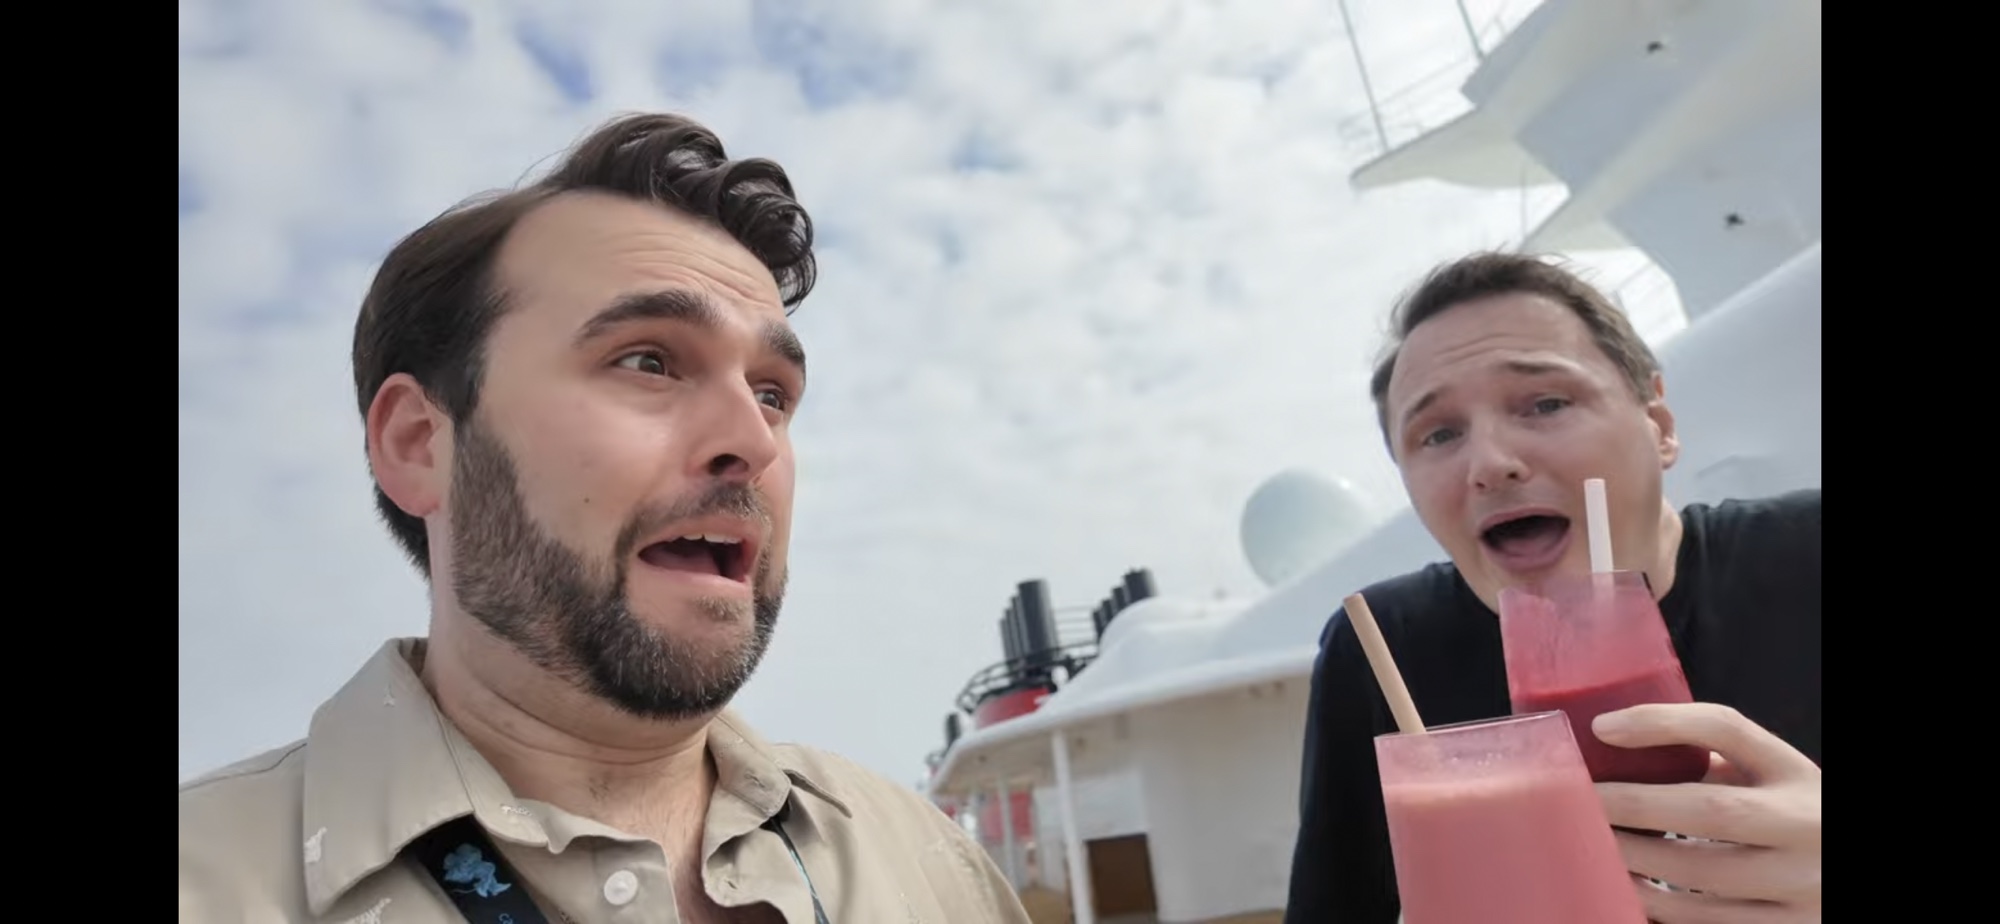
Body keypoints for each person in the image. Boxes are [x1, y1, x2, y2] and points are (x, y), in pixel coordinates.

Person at [179, 112, 1032, 924]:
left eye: (773, 394)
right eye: (649, 361)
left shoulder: (927, 865)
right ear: (418, 444)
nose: (753, 441)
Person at [1281, 252, 1821, 923]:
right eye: (1439, 434)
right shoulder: (1382, 646)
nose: (1491, 464)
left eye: (1546, 403)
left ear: (1659, 426)